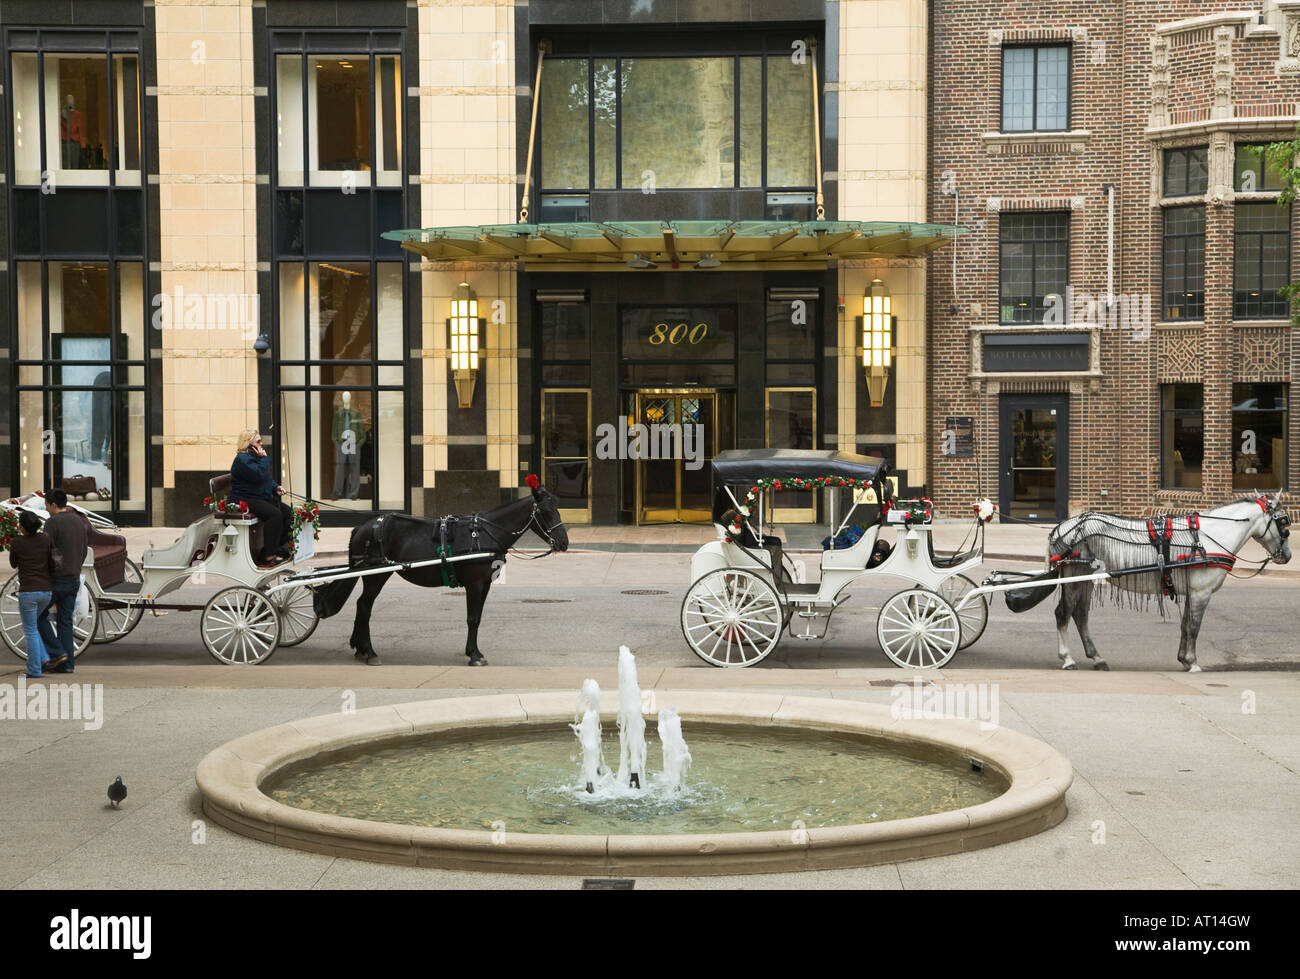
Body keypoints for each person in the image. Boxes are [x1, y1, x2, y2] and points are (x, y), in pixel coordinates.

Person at [7, 510, 65, 678]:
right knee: (34, 627)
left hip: (28, 592)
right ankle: (45, 658)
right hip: (46, 592)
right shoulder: (45, 538)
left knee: (30, 630)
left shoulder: (17, 542)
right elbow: (52, 561)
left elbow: (13, 563)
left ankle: (35, 669)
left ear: (23, 527)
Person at [40, 489, 88, 674]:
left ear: (52, 504)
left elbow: (46, 550)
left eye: (46, 505)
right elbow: (84, 549)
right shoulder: (78, 520)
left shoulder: (52, 523)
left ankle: (57, 652)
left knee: (37, 615)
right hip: (73, 577)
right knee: (65, 621)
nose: (46, 509)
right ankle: (67, 664)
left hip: (56, 578)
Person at [228, 429, 292, 567]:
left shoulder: (254, 457)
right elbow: (258, 475)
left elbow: (265, 478)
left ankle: (278, 550)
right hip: (244, 498)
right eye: (258, 441)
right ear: (248, 444)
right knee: (274, 515)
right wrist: (263, 459)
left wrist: (275, 487)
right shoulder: (242, 459)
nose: (261, 444)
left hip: (257, 496)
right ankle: (268, 556)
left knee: (289, 514)